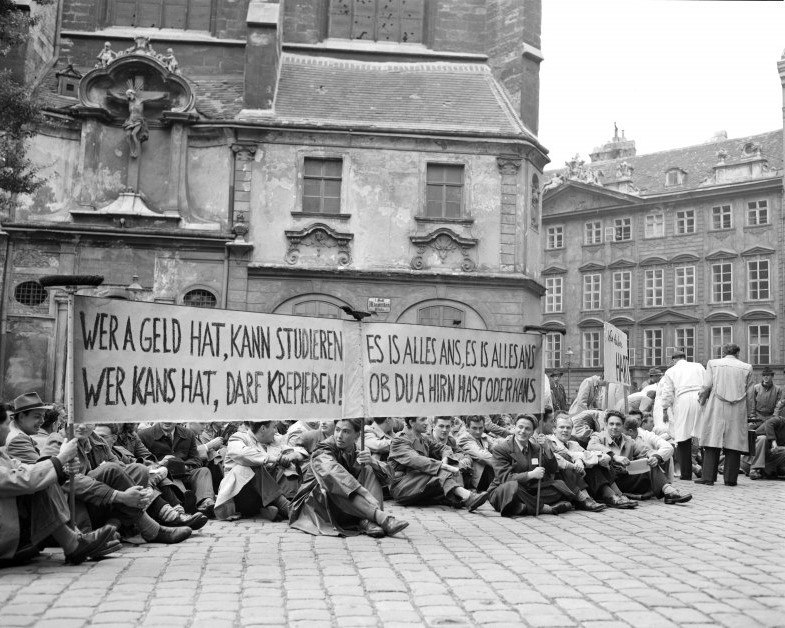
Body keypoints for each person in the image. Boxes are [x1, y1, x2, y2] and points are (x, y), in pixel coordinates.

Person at [0, 404, 120, 565]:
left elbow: (25, 469)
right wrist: (60, 459)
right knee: (45, 477)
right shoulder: (55, 439)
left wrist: (60, 468)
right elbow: (23, 479)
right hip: (10, 532)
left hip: (25, 525)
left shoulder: (98, 441)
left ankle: (78, 540)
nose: (9, 430)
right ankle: (75, 543)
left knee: (49, 475)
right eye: (7, 424)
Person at [289, 418, 408, 538]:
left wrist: (372, 461)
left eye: (346, 432)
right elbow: (331, 472)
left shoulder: (359, 449)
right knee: (334, 483)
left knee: (369, 468)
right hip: (316, 501)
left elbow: (389, 477)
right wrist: (363, 491)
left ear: (357, 435)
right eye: (337, 430)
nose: (339, 436)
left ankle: (368, 520)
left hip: (346, 504)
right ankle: (380, 517)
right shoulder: (323, 448)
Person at [588, 411, 691, 505]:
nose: (614, 427)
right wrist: (614, 456)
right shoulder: (598, 436)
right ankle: (615, 495)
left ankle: (669, 492)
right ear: (606, 425)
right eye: (611, 424)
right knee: (603, 461)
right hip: (607, 480)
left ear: (623, 426)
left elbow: (645, 450)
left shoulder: (629, 440)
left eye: (618, 424)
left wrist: (653, 456)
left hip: (625, 478)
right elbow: (591, 446)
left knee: (650, 463)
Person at [388, 416, 488, 511]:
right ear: (411, 422)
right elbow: (417, 460)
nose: (426, 423)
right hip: (402, 487)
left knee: (446, 476)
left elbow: (444, 448)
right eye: (422, 420)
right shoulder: (399, 440)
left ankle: (462, 498)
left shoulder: (423, 439)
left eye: (426, 419)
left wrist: (445, 460)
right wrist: (442, 466)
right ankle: (467, 496)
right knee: (442, 473)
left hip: (419, 483)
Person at [488, 414, 578, 517]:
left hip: (528, 490)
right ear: (514, 427)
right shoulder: (501, 449)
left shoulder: (536, 448)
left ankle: (522, 507)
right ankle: (543, 508)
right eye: (520, 427)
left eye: (527, 429)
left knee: (558, 485)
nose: (522, 431)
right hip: (504, 490)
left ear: (532, 432)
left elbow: (552, 469)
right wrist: (531, 474)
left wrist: (547, 449)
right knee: (513, 486)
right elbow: (505, 478)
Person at [215, 421, 299, 521]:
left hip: (262, 496)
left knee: (287, 464)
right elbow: (241, 454)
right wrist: (274, 458)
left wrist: (291, 456)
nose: (276, 431)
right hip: (240, 498)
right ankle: (285, 507)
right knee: (252, 466)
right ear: (263, 428)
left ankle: (271, 508)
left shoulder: (275, 439)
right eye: (274, 427)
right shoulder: (238, 438)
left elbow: (300, 450)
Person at [696, 344, 753, 486]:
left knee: (712, 439)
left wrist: (702, 402)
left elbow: (706, 386)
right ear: (738, 353)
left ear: (723, 352)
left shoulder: (713, 364)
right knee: (734, 442)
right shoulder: (747, 367)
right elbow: (750, 394)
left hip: (716, 405)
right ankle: (730, 479)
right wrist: (749, 412)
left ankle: (708, 477)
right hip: (737, 408)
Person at [139, 422, 216, 516]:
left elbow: (196, 459)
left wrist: (184, 466)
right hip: (164, 475)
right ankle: (185, 502)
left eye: (171, 418)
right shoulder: (144, 435)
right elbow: (143, 461)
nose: (167, 421)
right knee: (168, 477)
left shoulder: (188, 434)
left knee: (204, 471)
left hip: (186, 472)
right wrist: (160, 463)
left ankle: (206, 502)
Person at [659, 350, 706, 480]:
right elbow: (707, 384)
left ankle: (686, 474)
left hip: (683, 399)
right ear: (685, 358)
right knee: (702, 436)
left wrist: (664, 409)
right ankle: (707, 472)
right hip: (699, 398)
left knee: (682, 437)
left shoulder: (671, 371)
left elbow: (667, 392)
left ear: (674, 360)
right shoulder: (698, 366)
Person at [455, 415, 495, 491]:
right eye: (474, 428)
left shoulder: (483, 435)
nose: (478, 431)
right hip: (476, 480)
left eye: (481, 428)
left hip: (486, 475)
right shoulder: (464, 438)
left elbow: (496, 446)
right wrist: (503, 463)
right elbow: (482, 456)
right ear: (467, 427)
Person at [749, 415, 785, 480]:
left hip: (766, 459)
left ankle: (766, 471)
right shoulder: (780, 420)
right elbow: (769, 423)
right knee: (763, 439)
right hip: (751, 457)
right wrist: (773, 442)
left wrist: (775, 448)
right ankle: (754, 469)